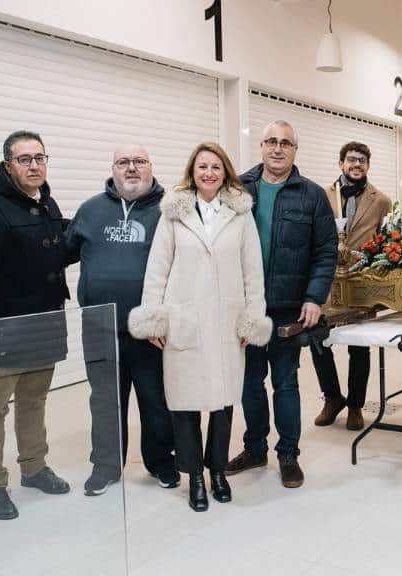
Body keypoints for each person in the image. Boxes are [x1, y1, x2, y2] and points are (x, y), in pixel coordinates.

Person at [128, 142, 271, 512]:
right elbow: (157, 268)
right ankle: (194, 476)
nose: (209, 173)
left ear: (226, 173)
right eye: (202, 167)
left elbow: (253, 271)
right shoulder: (174, 213)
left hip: (226, 321)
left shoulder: (240, 214)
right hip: (184, 319)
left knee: (223, 403)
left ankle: (218, 471)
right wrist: (154, 316)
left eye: (216, 167)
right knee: (185, 404)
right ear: (192, 172)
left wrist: (252, 318)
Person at [0, 130, 71, 520]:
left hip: (43, 325)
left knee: (34, 401)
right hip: (4, 331)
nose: (35, 165)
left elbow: (53, 248)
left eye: (40, 157)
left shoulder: (44, 203)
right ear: (8, 166)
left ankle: (34, 468)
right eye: (25, 159)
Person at [225, 120, 337, 488]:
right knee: (249, 383)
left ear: (294, 150)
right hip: (246, 308)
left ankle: (288, 454)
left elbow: (325, 251)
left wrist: (314, 297)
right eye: (271, 141)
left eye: (285, 143)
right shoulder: (238, 188)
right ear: (261, 146)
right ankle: (255, 447)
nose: (278, 148)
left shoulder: (312, 195)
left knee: (286, 383)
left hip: (289, 308)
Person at [65, 145, 178, 496]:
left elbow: (184, 268)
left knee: (154, 398)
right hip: (99, 327)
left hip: (148, 329)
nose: (131, 168)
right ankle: (106, 466)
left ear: (151, 167)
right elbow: (62, 254)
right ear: (113, 169)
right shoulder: (90, 210)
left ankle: (161, 461)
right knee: (105, 400)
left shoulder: (168, 210)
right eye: (123, 162)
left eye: (139, 161)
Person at [311, 141, 391, 431]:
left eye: (362, 161)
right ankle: (332, 398)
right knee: (317, 339)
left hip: (361, 282)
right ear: (340, 163)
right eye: (351, 160)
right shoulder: (322, 195)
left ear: (368, 166)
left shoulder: (381, 200)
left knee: (359, 346)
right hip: (326, 279)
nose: (356, 165)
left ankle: (356, 405)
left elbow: (387, 241)